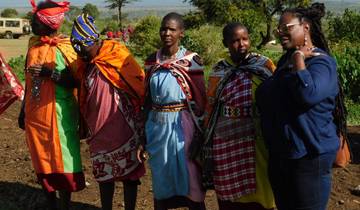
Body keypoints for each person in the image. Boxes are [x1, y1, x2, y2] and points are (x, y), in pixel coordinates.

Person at [256, 3, 343, 210]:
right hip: (283, 155)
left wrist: (299, 59)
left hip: (309, 157)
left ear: (306, 28)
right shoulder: (285, 61)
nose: (281, 33)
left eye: (287, 28)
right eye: (279, 29)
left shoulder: (321, 63)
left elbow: (307, 94)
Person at [70, 13, 146, 210]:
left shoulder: (117, 53)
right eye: (77, 50)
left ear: (94, 40)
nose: (81, 54)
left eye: (84, 48)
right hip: (99, 129)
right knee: (104, 177)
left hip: (124, 126)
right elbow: (78, 87)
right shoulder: (83, 64)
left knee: (129, 177)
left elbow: (137, 82)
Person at [202, 22, 276, 210]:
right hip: (226, 140)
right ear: (225, 43)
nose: (241, 44)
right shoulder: (220, 70)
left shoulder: (264, 65)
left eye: (245, 39)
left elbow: (277, 98)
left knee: (261, 188)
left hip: (257, 137)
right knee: (229, 194)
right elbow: (211, 107)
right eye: (235, 40)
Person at [22, 0, 85, 209]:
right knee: (41, 159)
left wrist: (51, 73)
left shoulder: (67, 48)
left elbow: (77, 82)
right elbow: (28, 82)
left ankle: (64, 204)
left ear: (48, 24)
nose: (31, 24)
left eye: (35, 20)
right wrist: (23, 111)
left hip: (61, 115)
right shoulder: (33, 46)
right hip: (36, 116)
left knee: (63, 159)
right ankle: (50, 202)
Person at [139, 12, 206, 210]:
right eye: (163, 28)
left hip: (184, 126)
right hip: (157, 126)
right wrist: (143, 134)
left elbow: (201, 100)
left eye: (172, 29)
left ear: (181, 33)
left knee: (192, 177)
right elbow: (148, 99)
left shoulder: (192, 61)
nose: (166, 33)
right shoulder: (152, 61)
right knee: (161, 177)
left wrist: (200, 135)